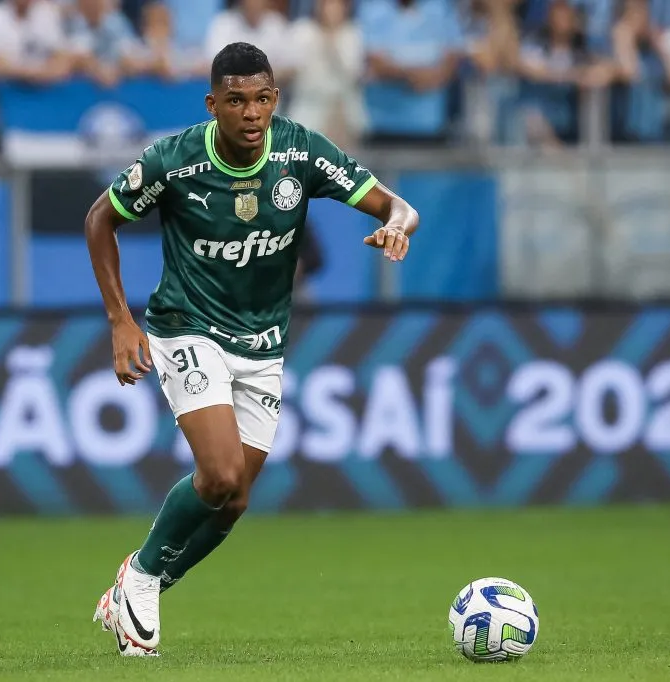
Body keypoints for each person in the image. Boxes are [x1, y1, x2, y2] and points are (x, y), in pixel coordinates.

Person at [84, 41, 419, 657]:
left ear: (275, 100)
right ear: (213, 104)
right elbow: (100, 218)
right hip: (187, 326)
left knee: (233, 502)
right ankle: (138, 578)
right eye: (235, 101)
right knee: (220, 474)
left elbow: (397, 205)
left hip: (262, 345)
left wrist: (398, 224)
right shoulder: (176, 162)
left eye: (262, 99)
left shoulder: (301, 152)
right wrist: (119, 319)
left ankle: (145, 581)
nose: (251, 113)